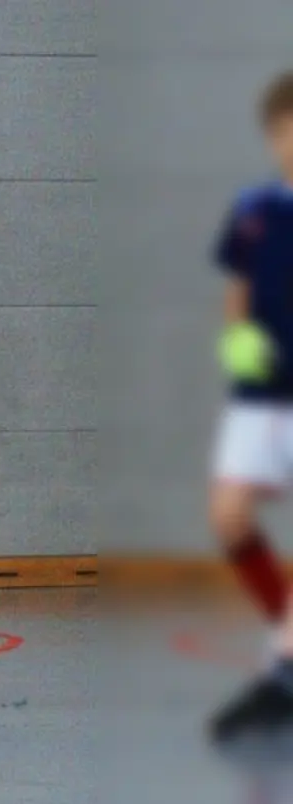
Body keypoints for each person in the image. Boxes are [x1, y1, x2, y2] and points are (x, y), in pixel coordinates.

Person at [206, 70, 293, 747]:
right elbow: (238, 288)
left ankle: (283, 672)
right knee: (230, 515)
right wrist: (236, 338)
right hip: (258, 395)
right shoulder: (255, 208)